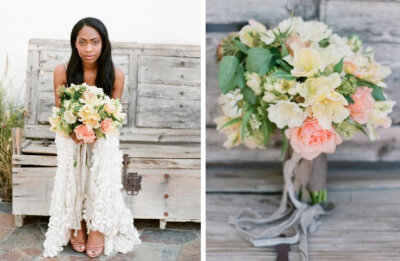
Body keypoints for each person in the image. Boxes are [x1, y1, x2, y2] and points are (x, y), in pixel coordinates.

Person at [43, 17, 141, 258]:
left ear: (103, 44)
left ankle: (98, 226)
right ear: (75, 44)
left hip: (103, 134)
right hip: (70, 135)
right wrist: (75, 132)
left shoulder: (115, 75)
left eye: (95, 42)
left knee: (105, 154)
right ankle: (77, 222)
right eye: (83, 42)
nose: (89, 49)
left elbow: (114, 117)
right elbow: (60, 112)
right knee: (72, 156)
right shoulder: (62, 71)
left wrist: (95, 132)